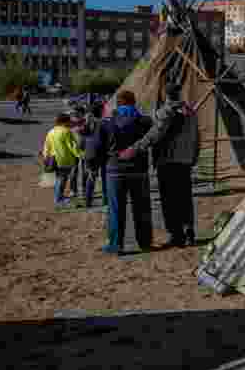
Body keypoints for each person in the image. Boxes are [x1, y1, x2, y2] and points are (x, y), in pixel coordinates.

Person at [119, 81, 200, 248]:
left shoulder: (165, 112)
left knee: (169, 200)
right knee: (185, 198)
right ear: (180, 93)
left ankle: (176, 236)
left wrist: (134, 149)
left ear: (165, 94)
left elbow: (154, 135)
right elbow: (197, 137)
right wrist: (193, 157)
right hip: (185, 161)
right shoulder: (191, 112)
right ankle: (189, 232)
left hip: (168, 161)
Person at [87, 90, 154, 255]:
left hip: (115, 169)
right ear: (133, 102)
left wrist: (93, 166)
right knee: (142, 207)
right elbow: (154, 141)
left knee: (116, 209)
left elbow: (95, 148)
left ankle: (116, 245)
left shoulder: (106, 123)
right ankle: (145, 242)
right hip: (139, 169)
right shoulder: (145, 121)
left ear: (118, 103)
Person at [42, 114, 83, 206]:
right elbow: (72, 146)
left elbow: (46, 145)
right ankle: (58, 199)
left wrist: (46, 157)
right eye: (69, 121)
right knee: (62, 179)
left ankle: (59, 197)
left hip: (53, 159)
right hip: (64, 159)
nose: (70, 122)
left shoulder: (51, 131)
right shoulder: (66, 132)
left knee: (58, 179)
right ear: (64, 121)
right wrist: (81, 155)